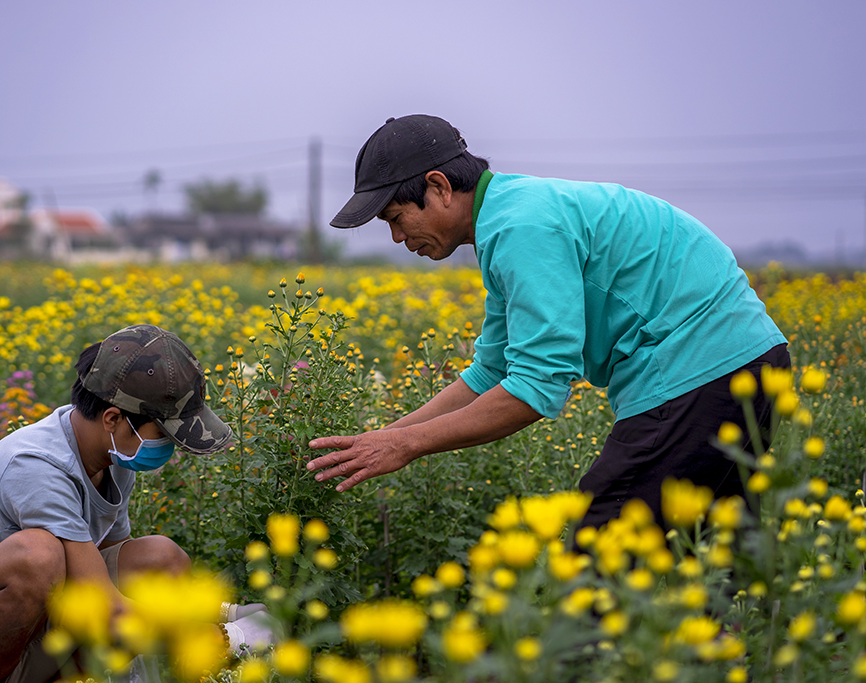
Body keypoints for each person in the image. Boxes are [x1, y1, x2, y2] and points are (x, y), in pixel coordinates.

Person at [307, 114, 789, 532]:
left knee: (601, 547)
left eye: (396, 217)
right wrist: (381, 441)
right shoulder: (510, 215)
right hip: (745, 360)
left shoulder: (522, 227)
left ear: (439, 188)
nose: (396, 237)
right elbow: (492, 372)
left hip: (699, 370)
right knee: (717, 560)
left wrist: (406, 445)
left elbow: (536, 387)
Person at [0, 324, 273, 683]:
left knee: (159, 559)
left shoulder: (112, 455)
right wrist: (224, 637)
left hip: (11, 633)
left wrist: (217, 611)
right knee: (37, 555)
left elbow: (111, 566)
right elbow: (109, 609)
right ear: (113, 418)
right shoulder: (36, 467)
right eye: (163, 433)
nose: (169, 447)